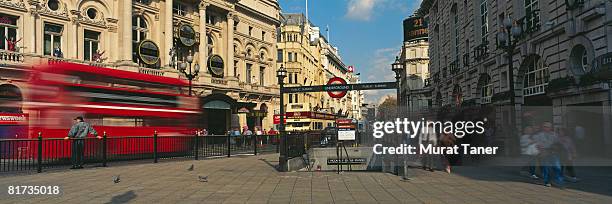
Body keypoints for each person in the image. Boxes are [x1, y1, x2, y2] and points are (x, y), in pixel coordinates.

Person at [533, 121, 564, 188]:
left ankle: (558, 181)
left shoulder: (554, 134)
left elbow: (558, 143)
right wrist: (541, 151)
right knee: (546, 168)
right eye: (545, 126)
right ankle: (547, 182)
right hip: (544, 152)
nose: (546, 128)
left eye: (548, 127)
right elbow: (537, 144)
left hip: (553, 152)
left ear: (551, 127)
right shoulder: (539, 135)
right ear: (542, 127)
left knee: (557, 167)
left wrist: (556, 146)